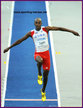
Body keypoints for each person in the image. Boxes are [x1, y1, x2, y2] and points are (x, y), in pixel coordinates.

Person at [3, 18, 80, 101]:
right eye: (36, 23)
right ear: (34, 24)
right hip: (38, 54)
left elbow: (59, 28)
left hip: (46, 54)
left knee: (46, 75)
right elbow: (20, 41)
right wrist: (9, 48)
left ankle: (43, 90)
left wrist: (72, 31)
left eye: (39, 23)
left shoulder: (46, 29)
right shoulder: (31, 33)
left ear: (41, 23)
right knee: (40, 60)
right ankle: (39, 74)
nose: (38, 24)